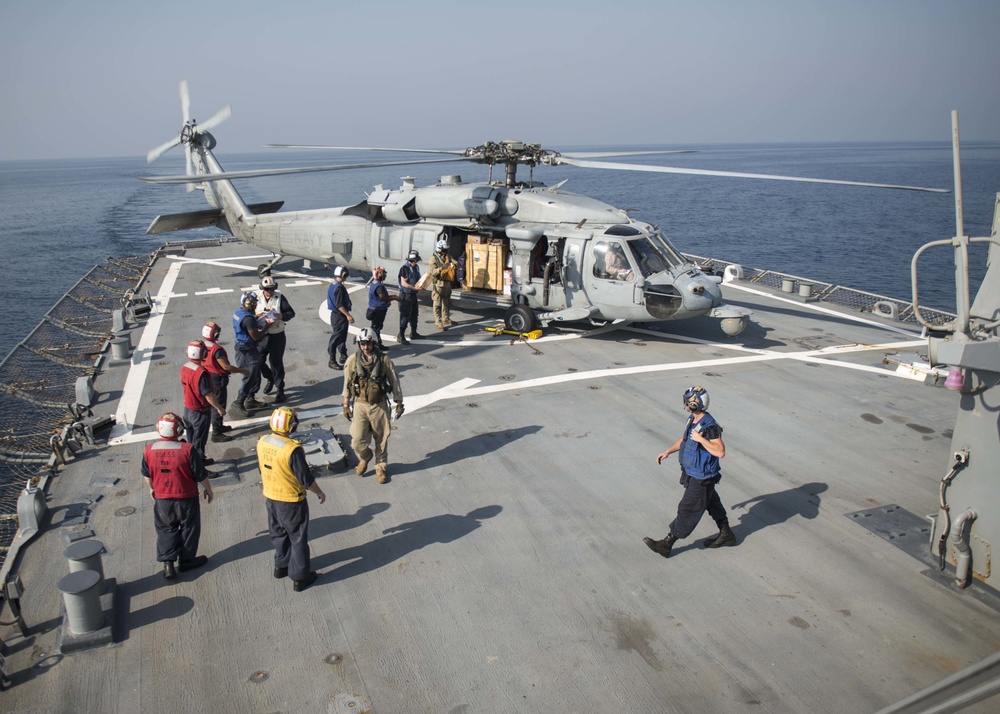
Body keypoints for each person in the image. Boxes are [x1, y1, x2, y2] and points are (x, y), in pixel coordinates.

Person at [643, 386, 737, 559]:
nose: (685, 404)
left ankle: (666, 544)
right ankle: (726, 534)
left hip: (702, 477)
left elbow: (720, 451)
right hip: (694, 472)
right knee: (711, 502)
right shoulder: (692, 419)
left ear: (693, 404)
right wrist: (668, 451)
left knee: (687, 508)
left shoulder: (709, 427)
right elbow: (685, 439)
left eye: (687, 401)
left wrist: (701, 439)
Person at [257, 407, 327, 592]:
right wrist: (319, 492)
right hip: (291, 501)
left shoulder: (262, 441)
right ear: (292, 426)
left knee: (278, 533)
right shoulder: (292, 449)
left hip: (271, 497)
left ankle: (281, 566)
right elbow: (305, 479)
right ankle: (300, 577)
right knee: (297, 538)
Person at [142, 412, 214, 579]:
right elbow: (200, 474)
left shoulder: (148, 451)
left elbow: (146, 474)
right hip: (186, 497)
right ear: (178, 431)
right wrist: (208, 489)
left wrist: (151, 489)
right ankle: (186, 561)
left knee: (166, 529)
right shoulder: (187, 450)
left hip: (162, 499)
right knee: (189, 528)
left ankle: (168, 564)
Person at [342, 328, 404, 485]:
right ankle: (365, 456)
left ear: (374, 343)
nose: (365, 347)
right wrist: (345, 404)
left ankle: (380, 467)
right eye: (362, 344)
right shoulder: (352, 361)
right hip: (360, 404)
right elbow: (347, 384)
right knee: (356, 440)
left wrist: (399, 402)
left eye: (368, 343)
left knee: (381, 439)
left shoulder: (384, 361)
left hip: (379, 405)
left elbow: (395, 381)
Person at [201, 321, 250, 444]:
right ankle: (217, 433)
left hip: (208, 376)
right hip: (218, 379)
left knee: (217, 403)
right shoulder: (216, 350)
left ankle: (219, 426)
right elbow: (226, 367)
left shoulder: (202, 346)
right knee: (219, 404)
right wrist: (242, 370)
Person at [180, 340, 226, 466]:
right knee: (199, 442)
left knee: (192, 439)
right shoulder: (201, 372)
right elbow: (208, 395)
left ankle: (197, 460)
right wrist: (219, 408)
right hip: (199, 412)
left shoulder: (185, 367)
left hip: (188, 410)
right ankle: (199, 466)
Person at [254, 275, 295, 402]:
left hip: (277, 335)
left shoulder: (280, 298)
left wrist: (281, 316)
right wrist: (257, 315)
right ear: (262, 288)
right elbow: (248, 314)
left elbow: (291, 313)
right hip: (262, 336)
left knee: (276, 362)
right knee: (258, 361)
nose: (269, 292)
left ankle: (280, 388)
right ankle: (270, 377)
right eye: (267, 289)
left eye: (271, 289)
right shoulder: (256, 298)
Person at [231, 292, 272, 416]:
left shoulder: (239, 313)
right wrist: (267, 327)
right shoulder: (249, 319)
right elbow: (255, 336)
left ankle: (250, 398)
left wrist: (255, 317)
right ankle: (240, 401)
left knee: (255, 371)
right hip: (246, 350)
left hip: (243, 348)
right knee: (250, 375)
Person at [326, 265, 354, 369]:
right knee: (337, 337)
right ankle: (332, 360)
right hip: (339, 316)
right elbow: (339, 305)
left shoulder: (334, 284)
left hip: (336, 315)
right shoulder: (339, 288)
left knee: (342, 336)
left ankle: (343, 355)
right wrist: (348, 315)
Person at [367, 266, 398, 350]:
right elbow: (382, 297)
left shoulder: (374, 283)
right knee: (376, 328)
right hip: (378, 310)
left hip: (373, 309)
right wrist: (394, 297)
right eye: (383, 274)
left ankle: (378, 344)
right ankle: (376, 346)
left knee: (376, 328)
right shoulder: (379, 286)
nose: (385, 276)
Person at [396, 250, 423, 344]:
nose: (414, 263)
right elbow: (404, 283)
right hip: (406, 295)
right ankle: (401, 335)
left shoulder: (416, 267)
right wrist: (414, 288)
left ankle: (414, 333)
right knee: (405, 316)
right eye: (413, 261)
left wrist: (423, 282)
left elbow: (419, 277)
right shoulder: (405, 269)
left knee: (414, 314)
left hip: (413, 295)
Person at [429, 238, 455, 330]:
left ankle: (446, 319)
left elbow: (453, 262)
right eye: (445, 250)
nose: (446, 251)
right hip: (438, 285)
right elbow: (432, 271)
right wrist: (441, 269)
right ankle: (438, 322)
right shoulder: (434, 259)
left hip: (447, 284)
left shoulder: (447, 257)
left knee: (447, 303)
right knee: (437, 304)